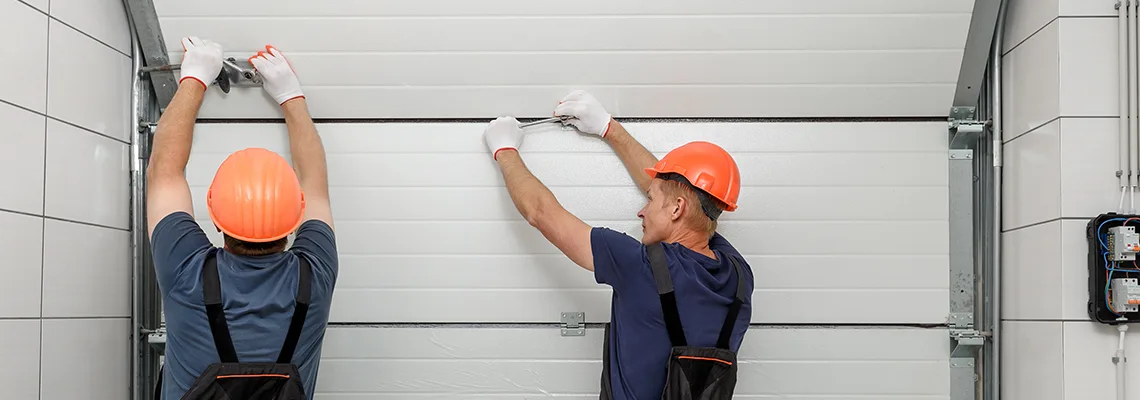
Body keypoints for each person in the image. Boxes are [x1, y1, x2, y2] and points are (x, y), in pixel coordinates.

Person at [483, 90, 754, 399]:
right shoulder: (739, 276)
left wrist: (504, 150)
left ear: (677, 209)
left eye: (649, 200)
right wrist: (608, 128)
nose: (642, 211)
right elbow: (688, 203)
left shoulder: (640, 267)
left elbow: (541, 213)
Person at [146, 36, 337, 399]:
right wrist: (290, 95)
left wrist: (195, 78)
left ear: (215, 215)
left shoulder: (185, 270)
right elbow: (315, 186)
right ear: (297, 214)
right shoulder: (315, 277)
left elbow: (164, 172)